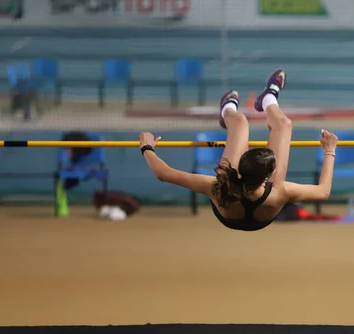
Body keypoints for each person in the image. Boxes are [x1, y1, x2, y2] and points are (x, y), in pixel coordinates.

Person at [139, 69, 339, 231]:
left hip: (231, 211)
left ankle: (228, 110)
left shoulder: (218, 187)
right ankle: (269, 98)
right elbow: (323, 192)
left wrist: (147, 146)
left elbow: (163, 174)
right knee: (284, 125)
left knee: (241, 122)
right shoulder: (280, 191)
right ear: (269, 176)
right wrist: (329, 151)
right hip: (262, 213)